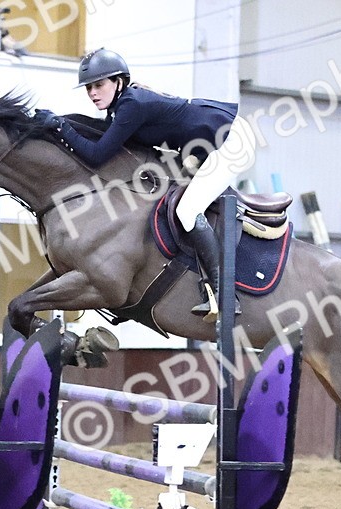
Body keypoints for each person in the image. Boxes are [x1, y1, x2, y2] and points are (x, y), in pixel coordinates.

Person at [37, 48, 257, 320]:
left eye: (98, 85)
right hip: (206, 143)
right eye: (88, 88)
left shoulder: (132, 105)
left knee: (187, 211)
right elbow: (104, 140)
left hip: (230, 140)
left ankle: (223, 294)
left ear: (118, 82)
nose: (92, 93)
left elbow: (96, 155)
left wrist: (60, 127)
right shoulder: (122, 107)